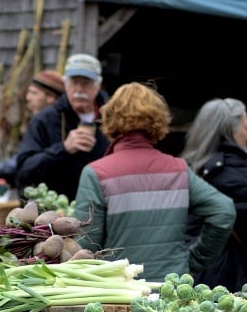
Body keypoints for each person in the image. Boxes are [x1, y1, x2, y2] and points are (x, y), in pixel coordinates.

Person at [74, 83, 235, 282]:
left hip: (119, 294)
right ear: (158, 121)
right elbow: (224, 210)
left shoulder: (96, 173)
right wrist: (193, 261)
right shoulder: (179, 170)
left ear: (109, 119)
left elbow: (86, 246)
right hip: (173, 291)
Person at [181, 97, 247, 297]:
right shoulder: (232, 168)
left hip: (192, 272)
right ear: (231, 130)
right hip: (230, 276)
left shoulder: (189, 166)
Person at [15, 53, 110, 198]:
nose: (79, 89)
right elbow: (24, 171)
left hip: (102, 204)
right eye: (74, 82)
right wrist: (64, 148)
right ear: (66, 84)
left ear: (97, 85)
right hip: (58, 212)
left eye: (85, 83)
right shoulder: (45, 120)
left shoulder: (112, 117)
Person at [0, 69, 65, 188]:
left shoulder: (56, 126)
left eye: (34, 93)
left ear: (51, 97)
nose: (28, 97)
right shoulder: (39, 122)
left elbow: (24, 163)